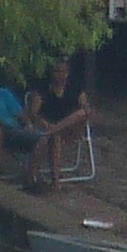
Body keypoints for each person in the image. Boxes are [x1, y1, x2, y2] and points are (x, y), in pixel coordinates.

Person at [29, 54, 96, 188]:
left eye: (63, 72)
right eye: (56, 71)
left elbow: (86, 109)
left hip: (70, 129)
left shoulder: (74, 87)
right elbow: (33, 114)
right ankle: (55, 181)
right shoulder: (43, 88)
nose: (60, 75)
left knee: (80, 114)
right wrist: (43, 123)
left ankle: (55, 129)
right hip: (48, 129)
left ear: (67, 73)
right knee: (54, 136)